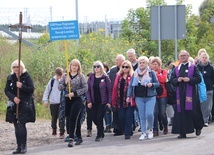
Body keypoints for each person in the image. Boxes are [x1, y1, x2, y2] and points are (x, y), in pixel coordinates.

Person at [170, 50, 204, 138]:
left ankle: (197, 127)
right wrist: (177, 80)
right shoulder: (176, 68)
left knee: (193, 111)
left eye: (184, 55)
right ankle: (182, 132)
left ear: (188, 56)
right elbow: (172, 80)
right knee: (181, 112)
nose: (183, 57)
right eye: (181, 56)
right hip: (180, 94)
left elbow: (198, 79)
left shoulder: (193, 67)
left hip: (191, 94)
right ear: (179, 57)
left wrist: (189, 80)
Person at [5, 60, 35, 154]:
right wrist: (13, 98)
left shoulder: (26, 76)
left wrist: (22, 86)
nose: (16, 69)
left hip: (24, 104)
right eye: (14, 67)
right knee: (16, 125)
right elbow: (7, 90)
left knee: (21, 124)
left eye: (17, 67)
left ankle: (23, 146)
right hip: (14, 105)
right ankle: (18, 146)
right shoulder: (10, 77)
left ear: (22, 67)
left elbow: (31, 89)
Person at [127, 56, 159, 140]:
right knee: (142, 115)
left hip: (150, 96)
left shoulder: (151, 72)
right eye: (140, 63)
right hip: (139, 97)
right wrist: (128, 96)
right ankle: (143, 132)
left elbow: (157, 84)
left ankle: (151, 130)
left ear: (147, 63)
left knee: (149, 114)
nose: (141, 64)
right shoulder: (135, 73)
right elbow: (131, 86)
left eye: (143, 62)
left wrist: (152, 84)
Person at [58, 59, 88, 147]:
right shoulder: (65, 75)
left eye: (76, 66)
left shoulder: (80, 76)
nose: (74, 67)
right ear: (70, 66)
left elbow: (85, 88)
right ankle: (79, 136)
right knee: (72, 118)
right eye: (73, 65)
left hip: (77, 98)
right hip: (68, 99)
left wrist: (74, 93)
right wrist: (65, 83)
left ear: (78, 67)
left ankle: (71, 138)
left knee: (73, 117)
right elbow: (59, 87)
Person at [86, 61, 112, 142]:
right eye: (94, 66)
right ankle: (101, 129)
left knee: (99, 117)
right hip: (93, 101)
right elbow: (88, 90)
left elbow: (109, 90)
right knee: (94, 118)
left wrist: (109, 102)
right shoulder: (91, 77)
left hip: (102, 101)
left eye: (98, 66)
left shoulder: (105, 77)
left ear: (101, 67)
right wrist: (89, 101)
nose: (96, 68)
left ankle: (99, 135)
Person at [112, 60, 135, 139]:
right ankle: (129, 130)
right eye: (123, 67)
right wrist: (113, 100)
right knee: (121, 116)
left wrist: (131, 97)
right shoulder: (118, 76)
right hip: (120, 100)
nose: (125, 68)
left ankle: (127, 133)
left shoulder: (132, 76)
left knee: (128, 116)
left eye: (127, 67)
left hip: (130, 100)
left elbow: (134, 88)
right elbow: (115, 88)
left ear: (130, 68)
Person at [42, 67, 63, 137]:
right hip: (53, 102)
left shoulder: (63, 80)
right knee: (54, 117)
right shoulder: (52, 81)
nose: (59, 77)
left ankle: (62, 131)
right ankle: (54, 129)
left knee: (61, 117)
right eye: (58, 75)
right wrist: (45, 100)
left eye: (60, 75)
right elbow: (47, 91)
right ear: (56, 74)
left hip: (61, 102)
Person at [109, 54, 125, 136]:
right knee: (115, 112)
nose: (116, 62)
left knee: (122, 112)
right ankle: (117, 128)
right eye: (116, 60)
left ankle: (124, 128)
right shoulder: (112, 70)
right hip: (114, 93)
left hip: (123, 94)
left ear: (122, 61)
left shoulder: (126, 69)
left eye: (118, 60)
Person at [151, 57, 168, 136]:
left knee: (162, 112)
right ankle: (155, 129)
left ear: (159, 65)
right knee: (154, 112)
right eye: (153, 64)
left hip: (163, 94)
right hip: (153, 95)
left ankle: (165, 125)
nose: (154, 66)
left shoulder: (163, 71)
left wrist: (156, 75)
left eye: (156, 64)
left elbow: (163, 79)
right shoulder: (150, 72)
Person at [197, 52, 214, 127]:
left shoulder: (210, 68)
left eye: (205, 57)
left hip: (208, 89)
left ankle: (205, 120)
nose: (204, 59)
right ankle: (199, 120)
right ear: (200, 58)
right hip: (199, 89)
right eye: (203, 57)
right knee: (200, 105)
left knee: (207, 106)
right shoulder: (196, 67)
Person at [126, 49, 140, 131]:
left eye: (131, 55)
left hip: (139, 89)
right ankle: (133, 124)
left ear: (135, 55)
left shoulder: (140, 63)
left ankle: (142, 125)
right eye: (129, 56)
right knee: (131, 108)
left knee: (139, 109)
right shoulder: (127, 65)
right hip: (131, 88)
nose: (130, 57)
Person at [103, 62, 112, 133]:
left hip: (107, 95)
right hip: (102, 97)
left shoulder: (108, 75)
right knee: (104, 112)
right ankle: (107, 125)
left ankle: (109, 125)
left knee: (108, 111)